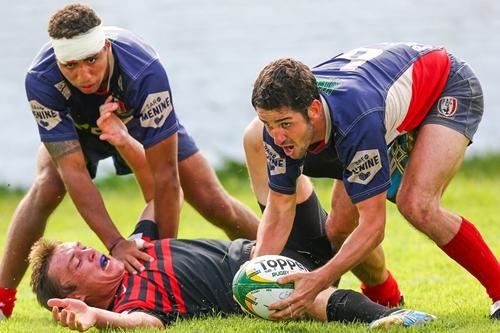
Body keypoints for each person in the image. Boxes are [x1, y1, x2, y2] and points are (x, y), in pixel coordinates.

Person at [0, 3, 259, 320]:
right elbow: (74, 173)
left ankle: (281, 255)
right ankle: (2, 299)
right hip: (78, 130)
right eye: (70, 66)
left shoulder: (144, 70)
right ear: (57, 61)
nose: (84, 75)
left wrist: (163, 261)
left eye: (92, 60)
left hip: (139, 124)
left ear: (106, 48)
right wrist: (117, 243)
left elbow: (166, 179)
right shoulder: (40, 79)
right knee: (47, 186)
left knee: (213, 201)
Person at [245, 42, 500, 320]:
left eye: (284, 124)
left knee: (416, 204)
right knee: (341, 225)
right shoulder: (278, 124)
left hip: (446, 84)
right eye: (267, 124)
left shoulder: (357, 121)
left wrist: (318, 281)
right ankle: (387, 301)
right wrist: (253, 278)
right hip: (380, 103)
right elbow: (279, 209)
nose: (276, 137)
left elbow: (374, 227)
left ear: (314, 110)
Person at [28, 203, 436, 331]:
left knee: (256, 142)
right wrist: (97, 317)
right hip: (258, 281)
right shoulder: (127, 298)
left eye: (81, 246)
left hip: (270, 244)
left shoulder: (132, 250)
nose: (88, 251)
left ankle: (382, 287)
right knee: (299, 294)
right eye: (77, 261)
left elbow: (157, 194)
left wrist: (122, 137)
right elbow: (145, 325)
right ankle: (394, 317)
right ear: (75, 294)